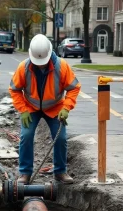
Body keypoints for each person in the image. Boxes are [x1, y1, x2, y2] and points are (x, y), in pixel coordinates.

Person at [9, 34, 81, 185]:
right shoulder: (24, 67)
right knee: (26, 136)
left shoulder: (61, 66)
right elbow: (14, 89)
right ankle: (25, 173)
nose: (40, 65)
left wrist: (66, 108)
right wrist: (23, 110)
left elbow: (74, 88)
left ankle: (60, 171)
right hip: (31, 108)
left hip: (55, 108)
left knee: (60, 138)